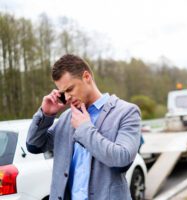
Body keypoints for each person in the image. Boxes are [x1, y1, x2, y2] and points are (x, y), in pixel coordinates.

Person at [26, 54, 141, 200]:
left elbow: (122, 161)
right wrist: (46, 114)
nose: (66, 98)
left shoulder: (127, 112)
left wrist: (84, 129)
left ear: (86, 77)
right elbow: (34, 145)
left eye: (70, 89)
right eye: (63, 93)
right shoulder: (66, 118)